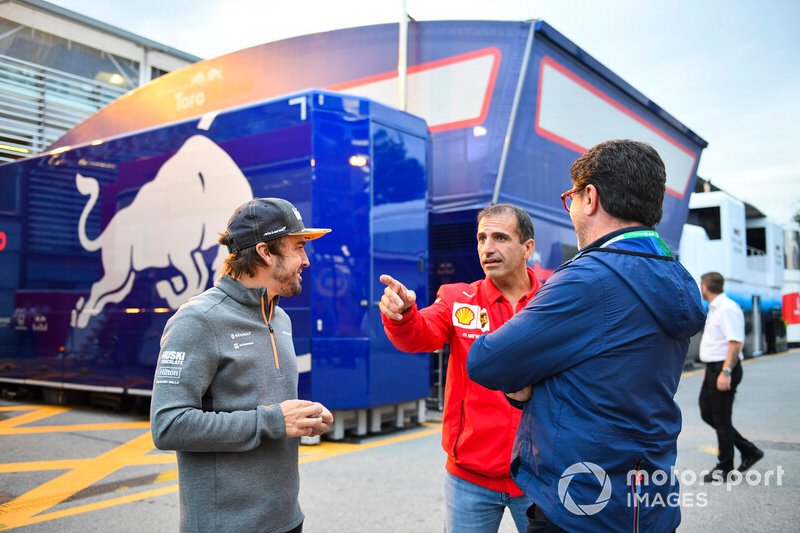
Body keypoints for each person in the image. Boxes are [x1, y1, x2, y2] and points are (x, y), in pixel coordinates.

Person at [467, 140, 706, 532]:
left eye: (571, 198)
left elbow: (487, 360)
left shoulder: (590, 277)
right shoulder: (676, 277)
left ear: (590, 197)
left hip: (580, 500)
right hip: (647, 498)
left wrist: (523, 384)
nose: (572, 208)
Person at [150, 197, 334, 533]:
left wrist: (304, 418)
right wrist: (273, 421)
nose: (306, 260)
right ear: (265, 252)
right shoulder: (199, 320)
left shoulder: (280, 318)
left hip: (287, 520)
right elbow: (168, 425)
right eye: (297, 247)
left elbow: (269, 409)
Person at [379, 203, 539, 532]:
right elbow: (419, 335)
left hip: (539, 477)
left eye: (500, 237)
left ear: (528, 248)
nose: (488, 248)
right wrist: (403, 314)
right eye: (482, 238)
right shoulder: (458, 299)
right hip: (470, 479)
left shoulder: (553, 300)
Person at [698, 271, 764, 482]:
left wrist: (725, 372)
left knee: (721, 418)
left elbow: (735, 342)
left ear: (705, 287)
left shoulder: (727, 309)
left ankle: (725, 467)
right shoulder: (716, 308)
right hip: (713, 368)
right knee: (708, 412)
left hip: (724, 368)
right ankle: (749, 449)